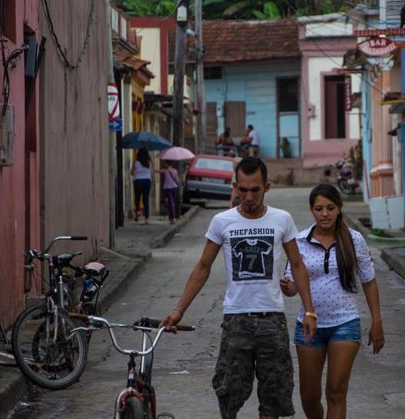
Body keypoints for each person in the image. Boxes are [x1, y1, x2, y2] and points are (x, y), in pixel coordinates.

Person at [160, 157, 317, 419]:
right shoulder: (222, 221)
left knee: (273, 396)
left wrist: (309, 311)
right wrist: (179, 310)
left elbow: (298, 265)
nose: (248, 196)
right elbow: (203, 267)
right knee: (228, 393)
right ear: (235, 186)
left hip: (272, 320)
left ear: (266, 187)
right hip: (236, 320)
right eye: (243, 189)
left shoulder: (282, 220)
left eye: (255, 189)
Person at [280, 183, 384, 419]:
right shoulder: (299, 241)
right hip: (308, 326)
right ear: (311, 210)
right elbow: (293, 284)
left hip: (345, 323)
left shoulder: (354, 240)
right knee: (309, 396)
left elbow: (369, 281)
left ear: (338, 209)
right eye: (319, 208)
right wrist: (288, 287)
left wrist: (377, 321)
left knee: (336, 393)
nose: (324, 214)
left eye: (329, 207)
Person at [131, 148, 152, 225]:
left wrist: (136, 173)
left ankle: (138, 212)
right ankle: (146, 219)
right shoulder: (148, 162)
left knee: (137, 198)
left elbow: (132, 172)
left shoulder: (135, 162)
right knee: (145, 199)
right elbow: (151, 171)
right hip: (147, 181)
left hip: (138, 181)